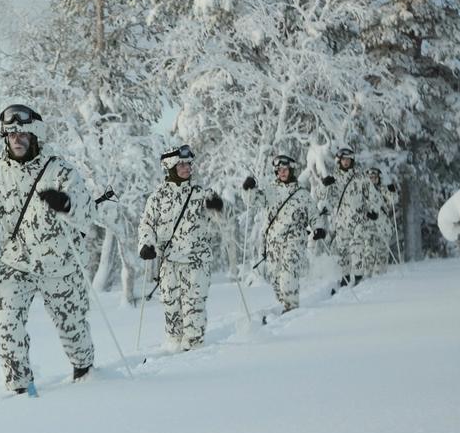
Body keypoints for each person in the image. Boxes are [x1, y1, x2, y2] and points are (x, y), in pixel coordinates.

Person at [0, 104, 97, 393]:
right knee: (5, 318)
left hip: (60, 263)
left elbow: (87, 213)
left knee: (72, 326)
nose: (17, 139)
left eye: (22, 134)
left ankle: (84, 371)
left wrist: (66, 204)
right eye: (11, 135)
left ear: (34, 136)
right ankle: (19, 387)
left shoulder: (59, 170)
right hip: (17, 263)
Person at [137, 144, 224, 352]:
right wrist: (146, 244)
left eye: (188, 164)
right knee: (171, 310)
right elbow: (146, 225)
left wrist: (218, 206)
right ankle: (174, 351)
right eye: (181, 164)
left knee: (193, 309)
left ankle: (194, 353)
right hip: (169, 264)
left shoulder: (201, 194)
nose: (187, 168)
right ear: (170, 167)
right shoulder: (157, 197)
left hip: (196, 263)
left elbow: (221, 220)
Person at [242, 155, 326, 317]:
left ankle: (291, 310)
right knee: (276, 279)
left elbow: (314, 214)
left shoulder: (301, 193)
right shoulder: (270, 190)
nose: (282, 172)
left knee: (289, 273)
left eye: (285, 169)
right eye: (279, 170)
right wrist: (248, 189)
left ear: (291, 170)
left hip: (294, 239)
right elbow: (251, 201)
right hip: (273, 242)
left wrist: (318, 228)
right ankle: (286, 304)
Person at [316, 147, 383, 292]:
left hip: (359, 221)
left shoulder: (360, 178)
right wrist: (324, 185)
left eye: (348, 159)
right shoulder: (334, 179)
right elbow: (324, 199)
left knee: (357, 248)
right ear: (339, 161)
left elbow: (375, 197)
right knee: (342, 251)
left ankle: (358, 279)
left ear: (352, 161)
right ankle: (344, 279)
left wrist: (374, 211)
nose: (346, 162)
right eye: (343, 160)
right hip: (341, 222)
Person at [364, 167, 397, 275]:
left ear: (378, 178)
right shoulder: (363, 191)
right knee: (368, 252)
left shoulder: (382, 189)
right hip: (369, 228)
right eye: (370, 177)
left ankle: (381, 277)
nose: (372, 180)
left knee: (382, 253)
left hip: (383, 227)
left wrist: (392, 190)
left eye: (374, 177)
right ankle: (366, 276)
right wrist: (367, 213)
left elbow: (393, 200)